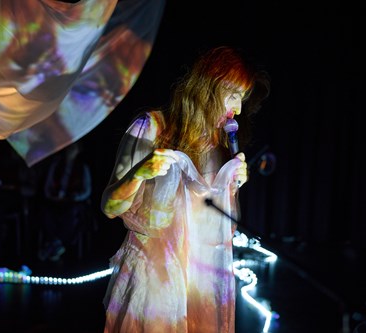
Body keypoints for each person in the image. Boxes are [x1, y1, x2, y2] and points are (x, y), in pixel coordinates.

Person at [100, 46, 269, 332]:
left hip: (201, 283)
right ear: (208, 87)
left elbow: (215, 229)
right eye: (234, 95)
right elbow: (109, 207)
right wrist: (140, 173)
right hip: (154, 280)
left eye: (242, 99)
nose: (238, 109)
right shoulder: (151, 127)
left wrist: (233, 184)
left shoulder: (220, 147)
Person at [38, 141, 93, 262]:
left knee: (71, 213)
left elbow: (87, 191)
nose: (70, 150)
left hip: (73, 202)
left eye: (73, 148)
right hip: (56, 201)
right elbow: (48, 186)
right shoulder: (56, 164)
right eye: (68, 147)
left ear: (78, 150)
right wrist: (52, 196)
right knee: (46, 211)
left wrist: (74, 197)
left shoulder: (82, 167)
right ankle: (55, 243)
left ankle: (57, 243)